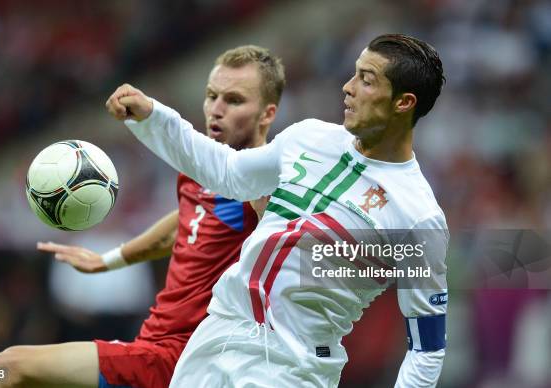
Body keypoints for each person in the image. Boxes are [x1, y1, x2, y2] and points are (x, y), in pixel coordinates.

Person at [106, 33, 449, 387]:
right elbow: (228, 173)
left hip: (290, 365)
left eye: (367, 80)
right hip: (217, 334)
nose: (348, 87)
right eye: (354, 73)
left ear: (403, 103)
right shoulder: (309, 137)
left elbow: (426, 348)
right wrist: (153, 117)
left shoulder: (417, 215)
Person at [0, 45, 285, 388]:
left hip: (191, 359)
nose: (216, 110)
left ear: (266, 114)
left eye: (233, 100)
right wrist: (108, 260)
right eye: (211, 96)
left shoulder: (268, 186)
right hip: (152, 345)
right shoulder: (198, 173)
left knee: (5, 368)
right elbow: (183, 226)